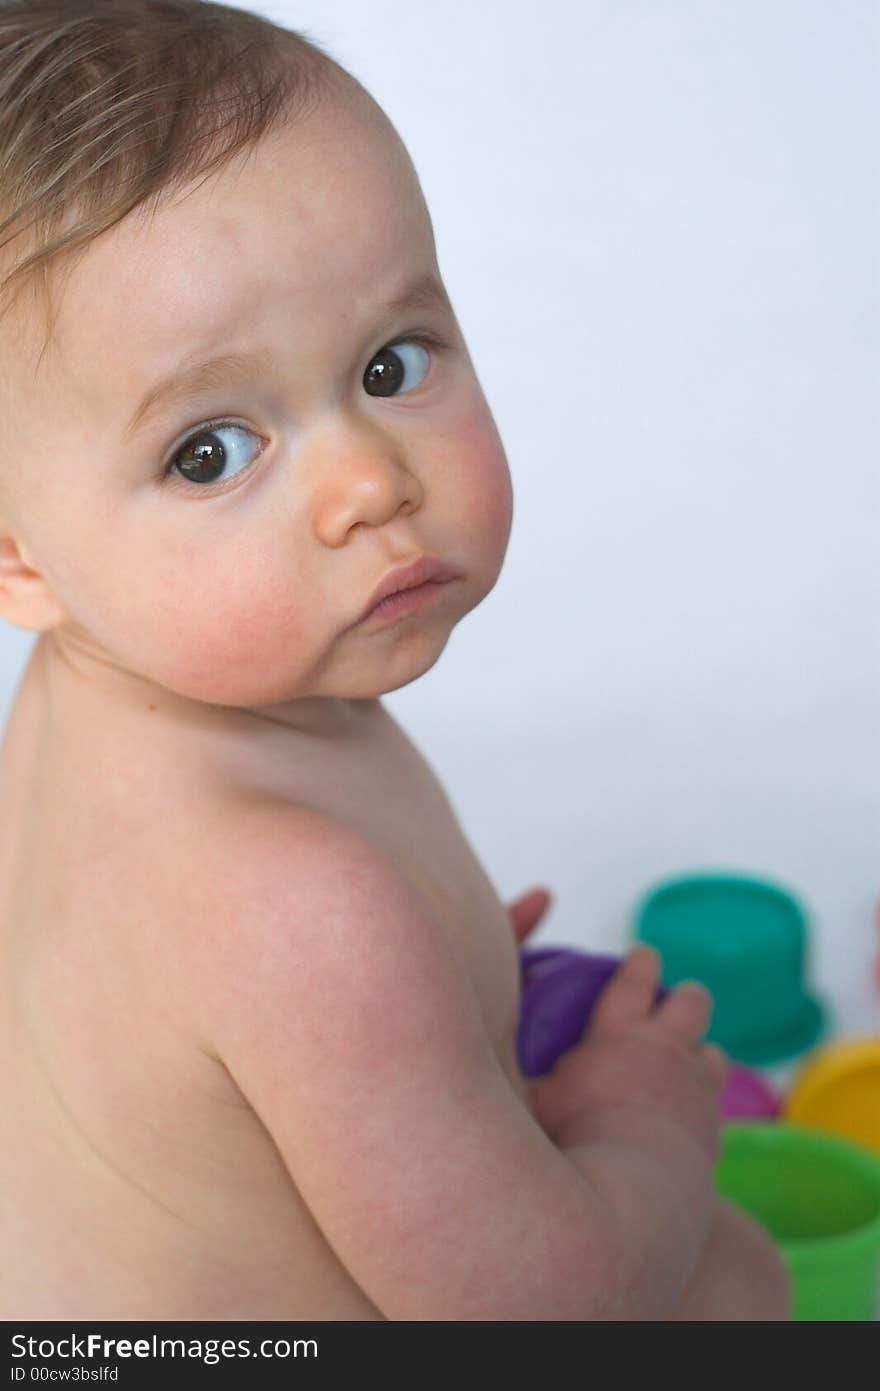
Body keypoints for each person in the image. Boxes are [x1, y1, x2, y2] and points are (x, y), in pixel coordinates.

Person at [0, 0, 789, 1319]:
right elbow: (545, 1310)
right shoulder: (296, 908)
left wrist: (430, 1003)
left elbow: (179, 1045)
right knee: (728, 1275)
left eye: (391, 360)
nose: (369, 481)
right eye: (211, 451)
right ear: (18, 556)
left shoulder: (98, 700)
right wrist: (641, 1121)